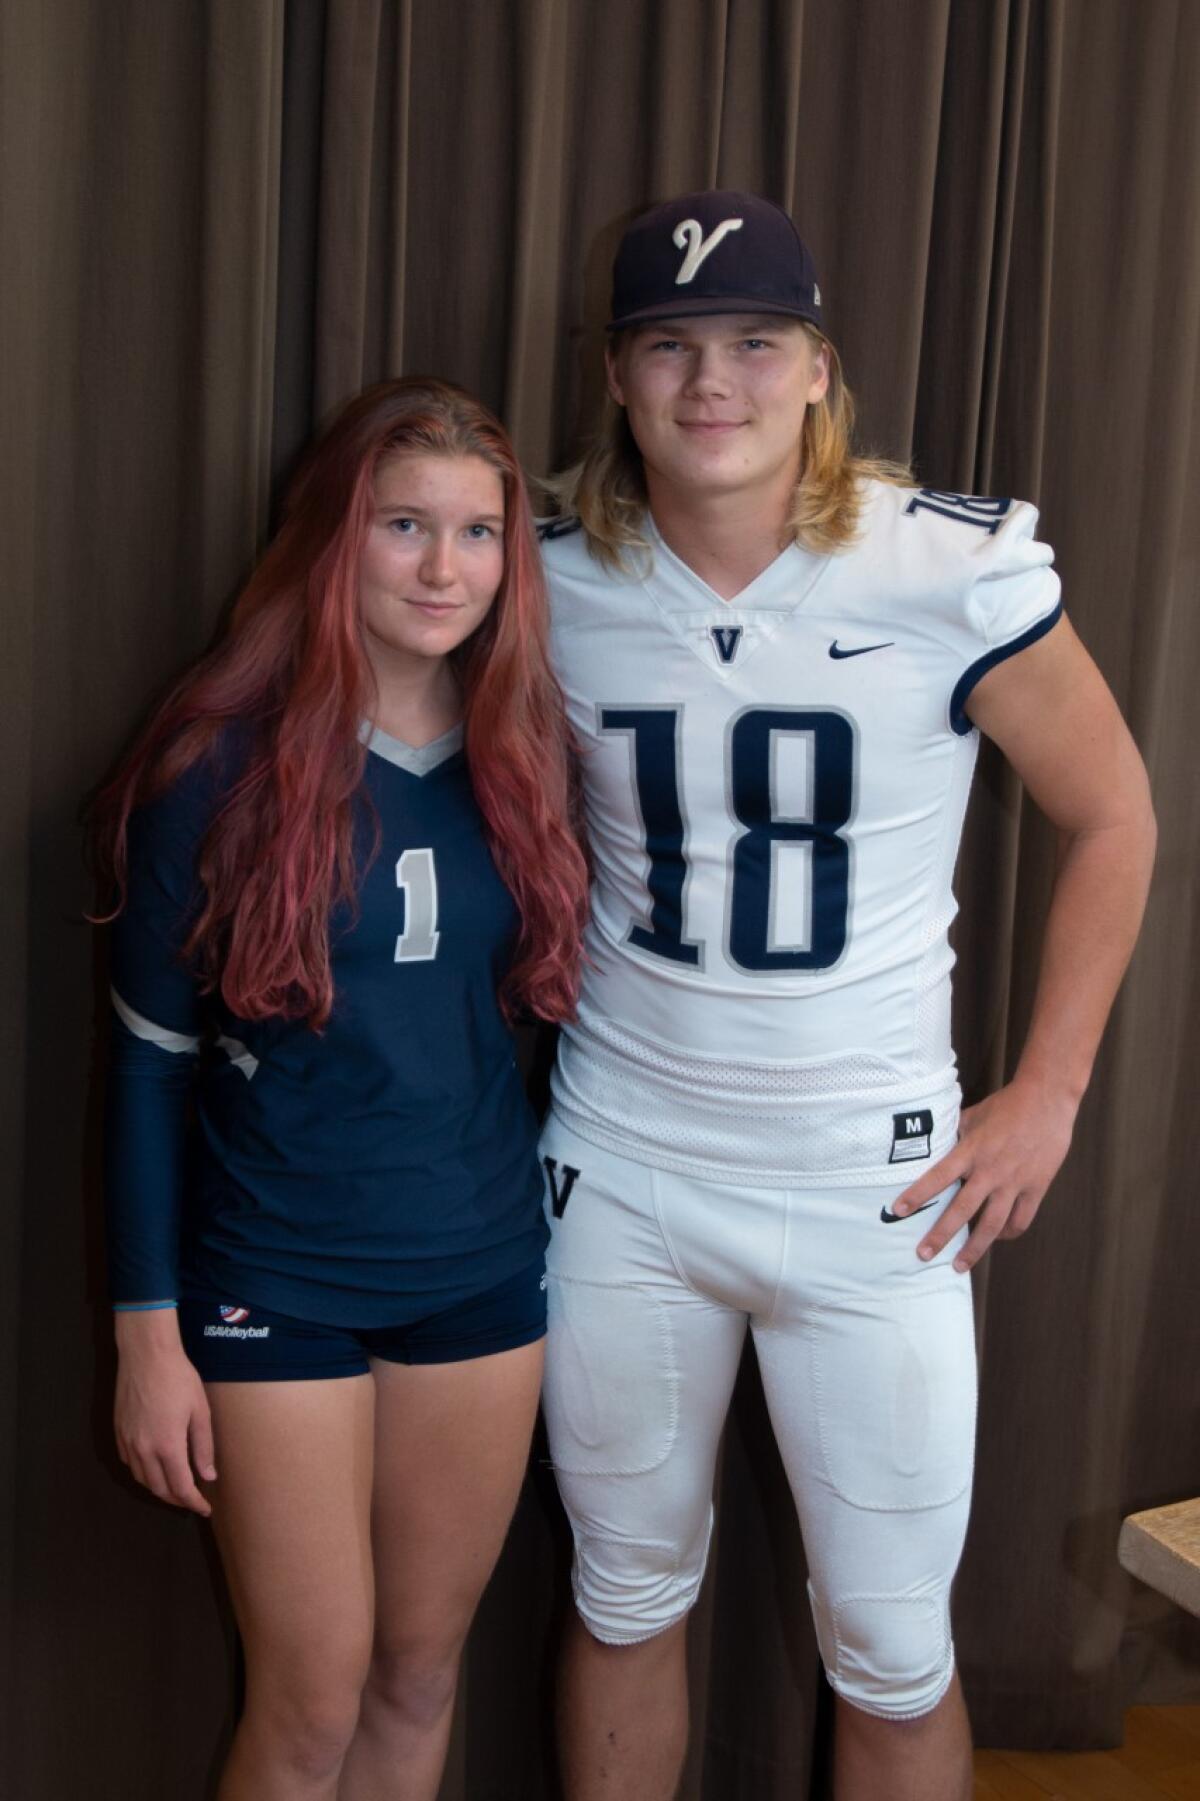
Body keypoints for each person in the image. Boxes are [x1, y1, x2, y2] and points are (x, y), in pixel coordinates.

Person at [536, 191, 1156, 1801]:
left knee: (888, 1642)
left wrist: (1051, 1090)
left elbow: (1116, 813)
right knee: (622, 1601)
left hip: (872, 1182)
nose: (710, 382)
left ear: (820, 369)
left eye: (753, 341)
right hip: (626, 1164)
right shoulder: (544, 581)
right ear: (618, 378)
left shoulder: (943, 567)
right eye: (669, 346)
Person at [92, 377, 589, 1801]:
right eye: (404, 525)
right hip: (276, 1277)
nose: (445, 568)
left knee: (419, 1673)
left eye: (479, 532)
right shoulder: (216, 766)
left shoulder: (529, 750)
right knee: (309, 1703)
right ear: (335, 538)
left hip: (482, 1271)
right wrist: (145, 1334)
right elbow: (143, 1064)